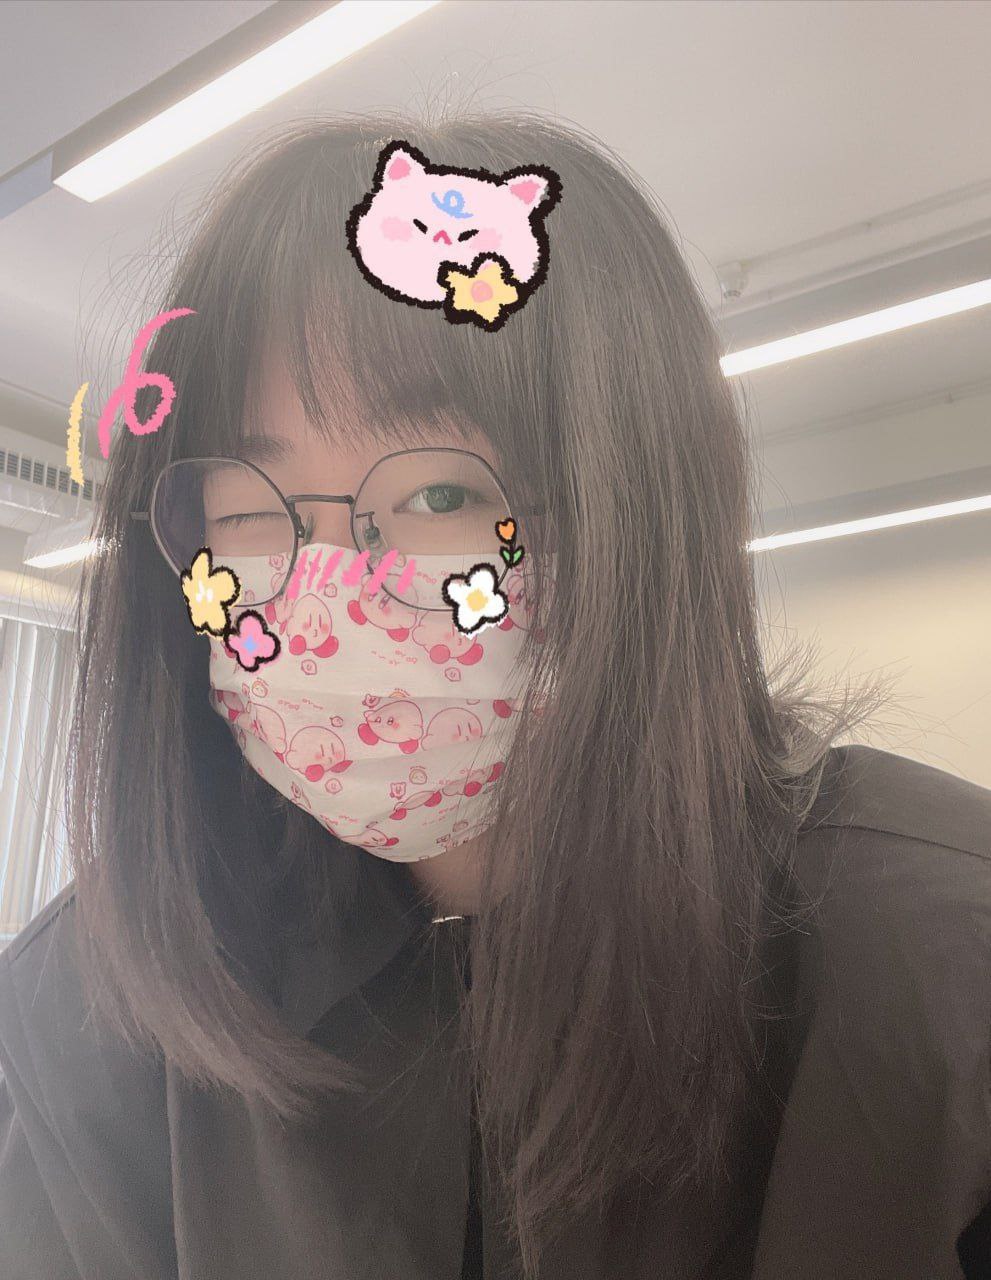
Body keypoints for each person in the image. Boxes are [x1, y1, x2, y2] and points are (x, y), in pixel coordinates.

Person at [1, 109, 990, 1280]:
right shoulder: (91, 1000)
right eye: (250, 500)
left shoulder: (939, 965)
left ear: (636, 509)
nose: (330, 589)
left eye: (441, 495)